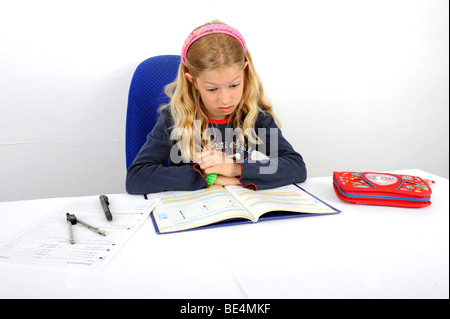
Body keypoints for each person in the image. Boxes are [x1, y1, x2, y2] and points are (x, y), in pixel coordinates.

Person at [126, 20, 307, 194]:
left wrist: (235, 169)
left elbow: (296, 167)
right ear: (193, 81)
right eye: (212, 89)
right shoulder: (174, 118)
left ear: (244, 72)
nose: (225, 100)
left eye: (234, 85)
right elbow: (136, 177)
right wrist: (207, 177)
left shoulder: (255, 115)